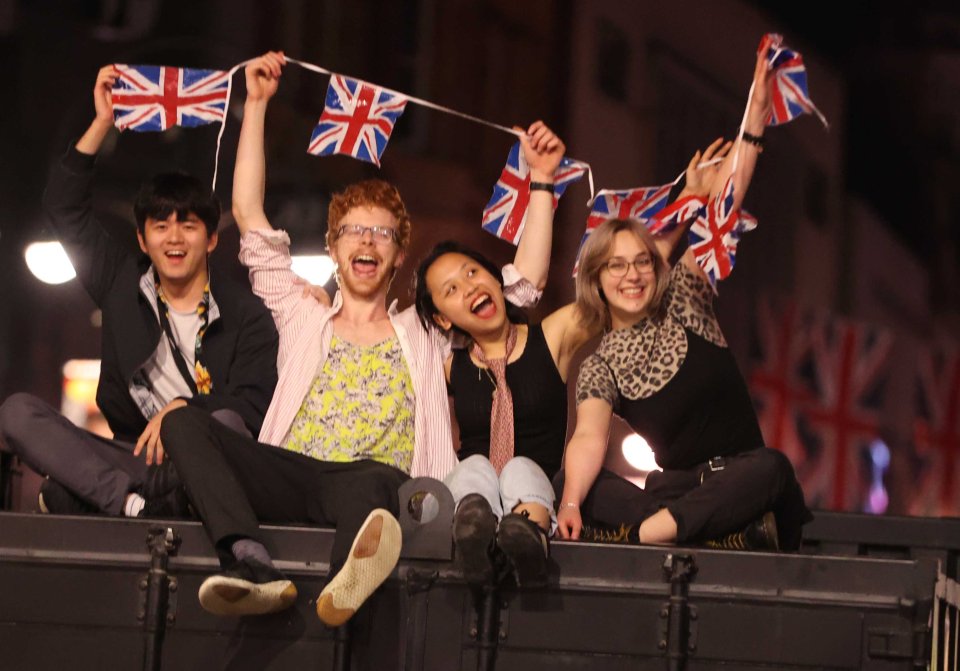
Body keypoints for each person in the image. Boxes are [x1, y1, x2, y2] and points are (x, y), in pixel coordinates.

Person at [158, 52, 546, 626]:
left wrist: (540, 181)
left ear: (396, 255)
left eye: (382, 234)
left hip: (377, 490)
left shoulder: (427, 330)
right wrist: (258, 105)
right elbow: (248, 213)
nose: (367, 240)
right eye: (353, 231)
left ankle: (341, 589)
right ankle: (249, 563)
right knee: (182, 421)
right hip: (292, 475)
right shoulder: (299, 313)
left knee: (368, 477)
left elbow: (523, 288)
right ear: (335, 248)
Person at [555, 50, 811, 551]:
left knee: (773, 466)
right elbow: (588, 438)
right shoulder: (601, 364)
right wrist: (568, 502)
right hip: (677, 492)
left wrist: (754, 116)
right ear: (597, 280)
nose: (632, 274)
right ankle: (709, 535)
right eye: (616, 265)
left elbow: (726, 204)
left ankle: (661, 533)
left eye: (642, 261)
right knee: (579, 481)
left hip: (742, 483)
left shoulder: (686, 296)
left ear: (657, 266)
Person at [0, 65, 279, 519]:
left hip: (208, 462)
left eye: (188, 225)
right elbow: (62, 208)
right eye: (161, 225)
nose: (174, 238)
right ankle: (132, 506)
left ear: (210, 239)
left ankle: (97, 498)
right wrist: (103, 122)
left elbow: (252, 407)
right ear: (142, 239)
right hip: (130, 459)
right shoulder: (118, 280)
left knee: (228, 425)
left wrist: (183, 413)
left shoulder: (247, 311)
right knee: (16, 413)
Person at [413, 129, 595, 586]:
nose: (469, 287)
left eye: (473, 273)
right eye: (451, 290)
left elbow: (620, 291)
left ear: (497, 278)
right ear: (443, 319)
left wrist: (542, 179)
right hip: (469, 501)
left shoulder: (550, 337)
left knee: (517, 469)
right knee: (472, 468)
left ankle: (526, 536)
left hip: (538, 495)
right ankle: (473, 538)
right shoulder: (447, 365)